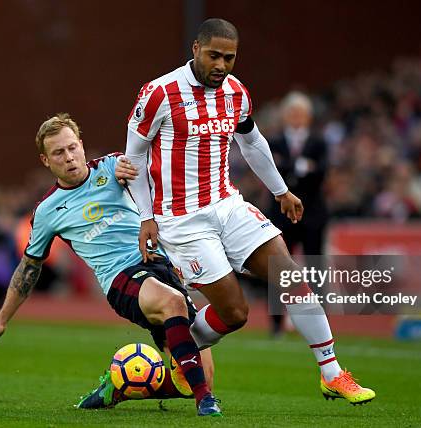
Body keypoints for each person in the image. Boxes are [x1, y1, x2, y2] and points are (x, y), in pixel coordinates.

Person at [122, 18, 375, 405]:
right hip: (182, 220)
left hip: (229, 205)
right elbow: (133, 159)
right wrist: (145, 216)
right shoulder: (159, 93)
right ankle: (178, 343)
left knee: (290, 277)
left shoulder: (237, 92)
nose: (221, 65)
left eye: (229, 58)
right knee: (235, 313)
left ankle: (332, 373)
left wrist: (282, 191)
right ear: (195, 49)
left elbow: (253, 143)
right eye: (214, 56)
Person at [0, 113, 221, 417]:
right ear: (45, 161)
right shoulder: (48, 211)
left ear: (81, 145)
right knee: (172, 302)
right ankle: (205, 402)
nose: (69, 158)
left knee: (196, 376)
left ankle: (117, 387)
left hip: (160, 264)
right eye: (58, 153)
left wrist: (141, 172)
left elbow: (154, 174)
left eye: (72, 148)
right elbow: (28, 268)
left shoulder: (112, 166)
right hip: (121, 278)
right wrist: (1, 321)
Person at [267, 91, 329, 336]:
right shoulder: (273, 141)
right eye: (292, 112)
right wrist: (304, 166)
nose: (296, 117)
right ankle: (276, 324)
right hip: (280, 213)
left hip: (312, 214)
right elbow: (271, 169)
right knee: (278, 265)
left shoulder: (319, 141)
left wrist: (290, 166)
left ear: (309, 117)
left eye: (300, 113)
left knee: (315, 267)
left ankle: (319, 326)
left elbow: (321, 173)